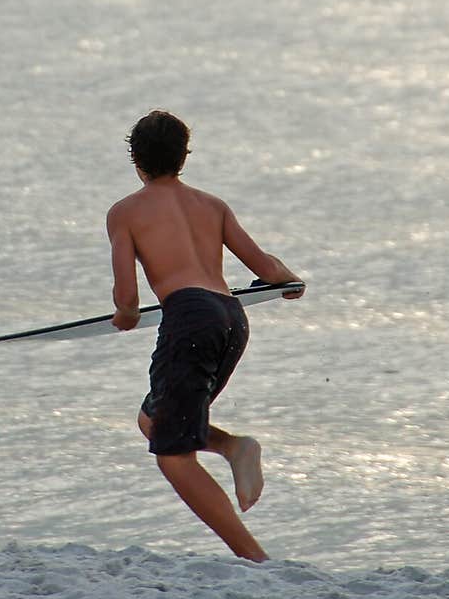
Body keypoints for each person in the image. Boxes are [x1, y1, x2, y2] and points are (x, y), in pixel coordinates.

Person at [106, 110, 305, 562]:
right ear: (183, 157)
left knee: (173, 456)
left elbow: (128, 300)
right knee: (154, 422)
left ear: (136, 160)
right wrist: (292, 281)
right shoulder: (211, 205)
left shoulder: (125, 213)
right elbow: (267, 267)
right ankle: (233, 447)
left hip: (190, 321)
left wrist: (124, 316)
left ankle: (256, 560)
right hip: (231, 319)